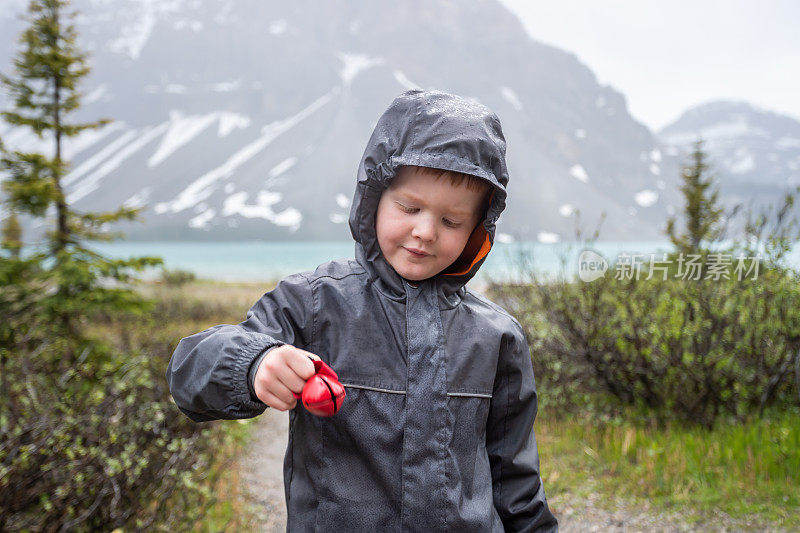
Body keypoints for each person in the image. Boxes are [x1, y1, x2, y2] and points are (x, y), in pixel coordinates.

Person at [165, 89, 558, 532]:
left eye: (452, 222)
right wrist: (254, 363)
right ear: (373, 199)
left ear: (476, 233)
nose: (425, 231)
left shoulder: (497, 337)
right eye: (409, 207)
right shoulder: (315, 302)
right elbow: (189, 371)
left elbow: (517, 482)